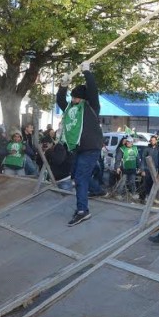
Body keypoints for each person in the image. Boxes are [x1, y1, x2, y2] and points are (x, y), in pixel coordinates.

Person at [57, 62, 103, 226]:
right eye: (72, 97)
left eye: (76, 97)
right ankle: (97, 190)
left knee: (80, 179)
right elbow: (60, 100)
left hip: (91, 148)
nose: (73, 100)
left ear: (83, 98)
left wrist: (87, 73)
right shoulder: (70, 109)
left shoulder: (91, 107)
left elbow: (93, 91)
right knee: (77, 175)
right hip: (78, 148)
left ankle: (83, 211)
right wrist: (63, 86)